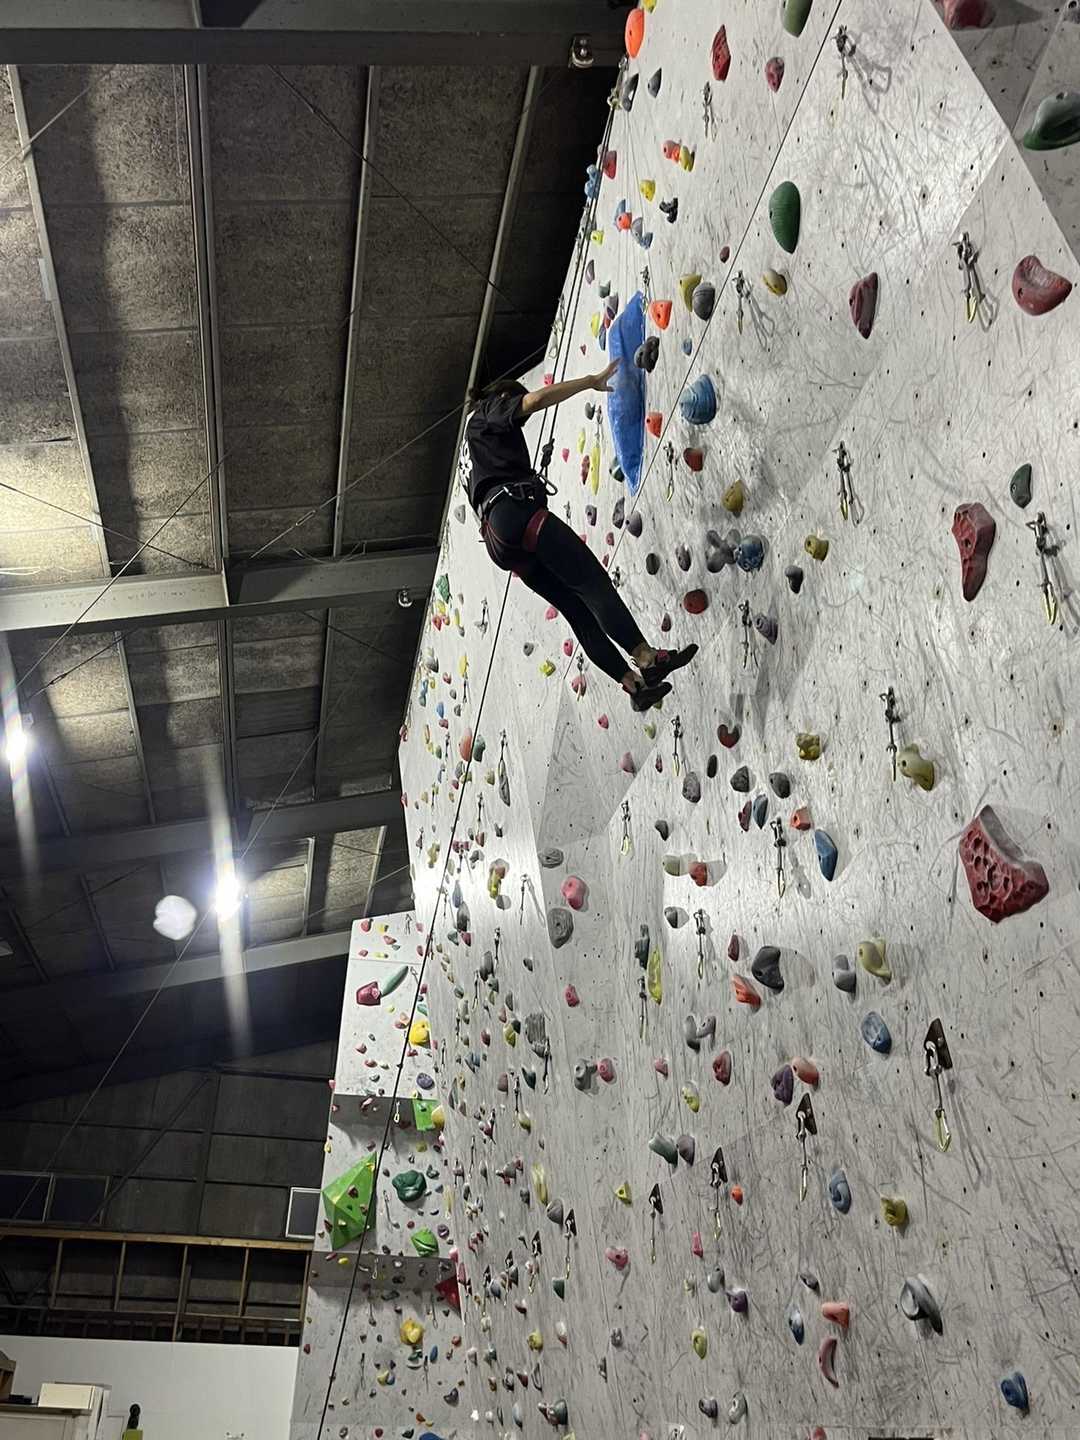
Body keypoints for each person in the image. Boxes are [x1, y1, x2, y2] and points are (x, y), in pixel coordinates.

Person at [465, 360, 697, 710]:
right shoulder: (488, 411)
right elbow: (533, 401)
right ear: (502, 396)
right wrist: (589, 381)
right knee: (591, 582)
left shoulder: (472, 449)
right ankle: (647, 659)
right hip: (514, 511)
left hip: (500, 542)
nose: (519, 423)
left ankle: (634, 687)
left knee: (577, 611)